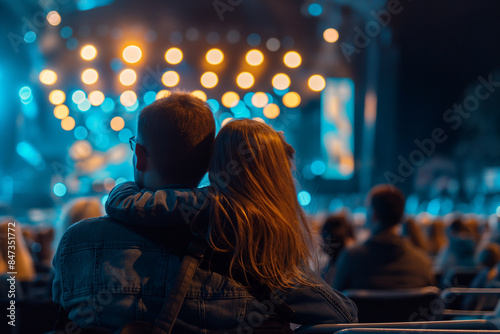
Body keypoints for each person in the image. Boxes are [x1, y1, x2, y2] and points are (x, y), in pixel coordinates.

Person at [53, 93, 357, 333]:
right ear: (210, 161)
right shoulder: (246, 243)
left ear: (140, 155)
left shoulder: (77, 242)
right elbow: (342, 315)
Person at [333, 184, 435, 291]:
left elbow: (335, 302)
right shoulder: (422, 262)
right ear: (401, 215)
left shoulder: (350, 258)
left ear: (373, 214)